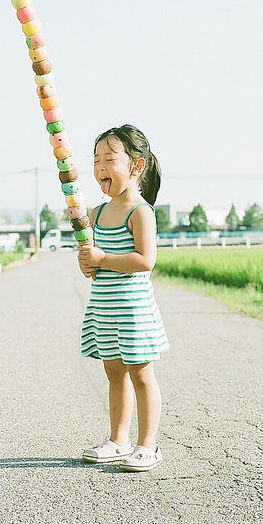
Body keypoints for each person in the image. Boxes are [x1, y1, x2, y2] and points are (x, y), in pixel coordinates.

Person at [77, 124, 169, 472]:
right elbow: (94, 263)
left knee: (141, 374)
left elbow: (145, 260)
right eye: (96, 160)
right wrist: (88, 262)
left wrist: (102, 259)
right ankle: (119, 440)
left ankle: (148, 445)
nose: (100, 167)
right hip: (105, 307)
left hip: (133, 309)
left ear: (136, 166)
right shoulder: (97, 214)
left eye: (109, 159)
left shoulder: (139, 211)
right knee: (114, 372)